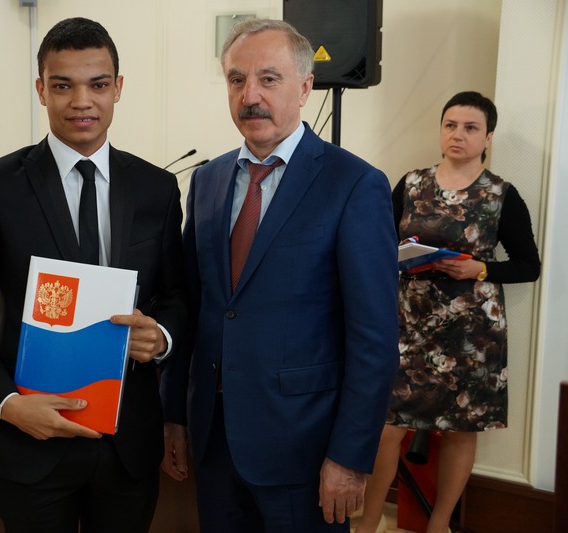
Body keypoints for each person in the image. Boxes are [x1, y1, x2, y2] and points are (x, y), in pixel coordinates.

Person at [0, 17, 186, 533]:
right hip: (29, 440)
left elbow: (178, 295)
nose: (81, 102)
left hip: (127, 444)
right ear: (41, 90)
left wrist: (161, 336)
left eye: (98, 84)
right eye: (63, 85)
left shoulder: (156, 188)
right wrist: (6, 404)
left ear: (118, 88)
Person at [160, 19, 400, 532]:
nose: (250, 95)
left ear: (305, 87)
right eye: (236, 79)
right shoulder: (207, 181)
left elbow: (374, 338)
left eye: (269, 79)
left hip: (305, 450)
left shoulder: (354, 184)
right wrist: (174, 414)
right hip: (214, 442)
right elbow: (195, 307)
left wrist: (350, 456)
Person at [355, 91, 541, 533]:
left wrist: (479, 268)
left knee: (460, 430)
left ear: (488, 137)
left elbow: (528, 265)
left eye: (470, 128)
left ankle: (439, 525)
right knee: (387, 427)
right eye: (450, 125)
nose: (458, 134)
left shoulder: (501, 195)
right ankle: (369, 522)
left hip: (471, 332)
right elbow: (379, 243)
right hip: (409, 325)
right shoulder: (411, 184)